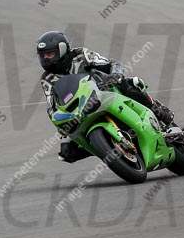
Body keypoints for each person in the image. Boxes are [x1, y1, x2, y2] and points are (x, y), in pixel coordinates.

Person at [37, 31, 174, 164]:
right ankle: (105, 146)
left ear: (61, 50)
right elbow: (51, 105)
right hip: (78, 110)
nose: (46, 59)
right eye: (43, 56)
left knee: (129, 84)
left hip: (106, 90)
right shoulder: (47, 79)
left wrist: (115, 74)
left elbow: (112, 63)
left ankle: (157, 109)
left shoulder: (81, 55)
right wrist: (58, 122)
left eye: (50, 54)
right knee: (67, 153)